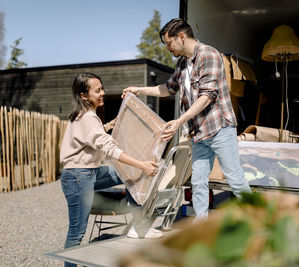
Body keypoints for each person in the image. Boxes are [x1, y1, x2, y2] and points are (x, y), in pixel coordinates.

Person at [122, 18, 251, 219]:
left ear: (181, 36)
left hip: (219, 128)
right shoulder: (182, 63)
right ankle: (201, 226)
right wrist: (139, 89)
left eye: (168, 43)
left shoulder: (209, 54)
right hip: (199, 133)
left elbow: (207, 96)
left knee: (235, 179)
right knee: (198, 182)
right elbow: (168, 88)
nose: (167, 49)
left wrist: (179, 121)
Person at [59, 72, 161, 266]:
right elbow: (109, 148)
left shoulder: (82, 116)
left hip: (88, 173)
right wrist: (142, 165)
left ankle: (139, 225)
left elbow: (91, 136)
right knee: (76, 232)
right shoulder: (88, 118)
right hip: (78, 178)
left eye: (102, 88)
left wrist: (110, 125)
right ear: (83, 95)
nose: (102, 93)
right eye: (97, 91)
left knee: (125, 172)